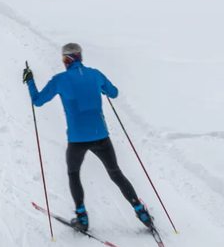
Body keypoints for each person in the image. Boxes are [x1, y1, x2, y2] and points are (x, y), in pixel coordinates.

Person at [23, 42, 154, 234]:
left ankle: (82, 218)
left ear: (66, 60)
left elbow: (38, 101)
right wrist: (100, 88)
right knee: (116, 173)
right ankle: (141, 212)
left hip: (77, 140)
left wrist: (30, 81)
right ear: (80, 57)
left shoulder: (60, 80)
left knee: (73, 174)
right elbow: (114, 93)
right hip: (101, 136)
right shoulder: (95, 74)